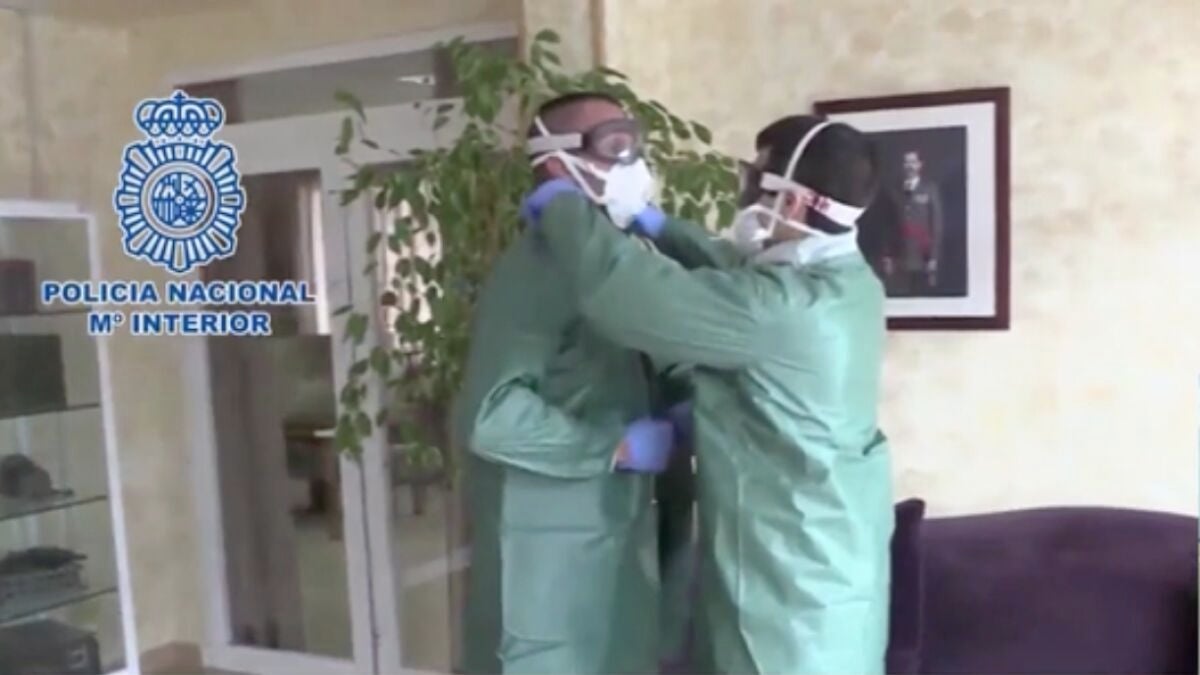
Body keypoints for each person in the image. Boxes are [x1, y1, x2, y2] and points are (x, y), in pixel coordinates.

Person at [524, 115, 895, 674]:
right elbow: (737, 274)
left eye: (757, 181)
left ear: (794, 202)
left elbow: (626, 293)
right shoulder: (849, 282)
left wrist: (564, 206)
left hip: (789, 596)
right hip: (831, 572)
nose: (747, 192)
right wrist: (655, 224)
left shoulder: (782, 310)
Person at [451, 91, 693, 674]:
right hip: (550, 555)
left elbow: (636, 351)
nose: (634, 162)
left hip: (612, 533)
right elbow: (489, 416)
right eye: (615, 145)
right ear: (559, 165)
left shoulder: (611, 259)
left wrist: (687, 395)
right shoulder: (538, 267)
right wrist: (614, 446)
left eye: (635, 144)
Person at [884, 150, 943, 295]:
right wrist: (888, 256)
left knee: (921, 295)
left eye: (913, 162)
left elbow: (936, 225)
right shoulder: (894, 190)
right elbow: (888, 226)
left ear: (920, 165)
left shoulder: (929, 189)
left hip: (922, 257)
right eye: (906, 162)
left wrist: (933, 257)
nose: (910, 166)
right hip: (900, 258)